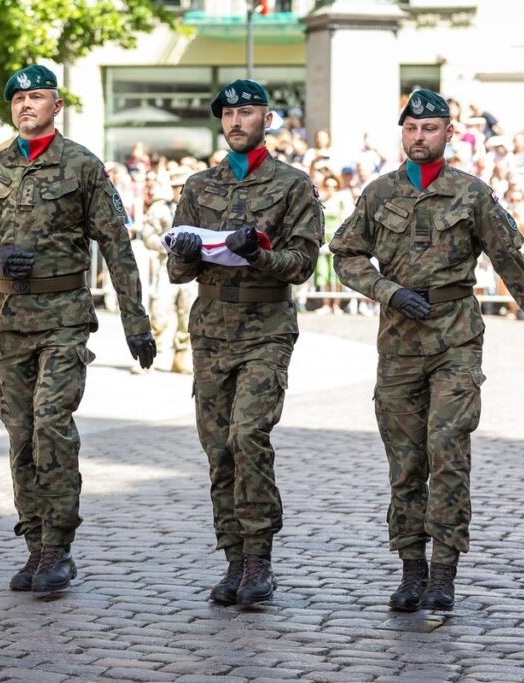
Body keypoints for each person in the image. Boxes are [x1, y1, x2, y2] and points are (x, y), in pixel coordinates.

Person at [329, 89, 524, 613]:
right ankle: (411, 570)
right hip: (398, 343)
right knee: (406, 462)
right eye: (412, 128)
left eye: (430, 128)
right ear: (403, 134)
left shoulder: (472, 194)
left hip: (456, 338)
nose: (420, 137)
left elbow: (512, 262)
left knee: (448, 450)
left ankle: (444, 572)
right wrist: (387, 291)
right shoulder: (378, 194)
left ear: (449, 134)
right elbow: (344, 256)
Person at [0, 64, 155, 595]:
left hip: (65, 317)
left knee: (51, 424)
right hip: (10, 319)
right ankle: (34, 544)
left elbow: (117, 245)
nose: (26, 105)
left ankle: (59, 547)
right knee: (20, 434)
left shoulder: (82, 166)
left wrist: (136, 323)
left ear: (56, 105)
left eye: (37, 97)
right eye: (18, 98)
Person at [166, 79, 323, 606]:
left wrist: (256, 254)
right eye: (228, 113)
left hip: (266, 326)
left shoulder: (292, 186)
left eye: (247, 112)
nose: (236, 121)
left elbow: (301, 265)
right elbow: (176, 269)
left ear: (267, 120)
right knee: (217, 447)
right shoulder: (198, 186)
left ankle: (259, 559)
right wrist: (187, 250)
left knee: (248, 434)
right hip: (211, 328)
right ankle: (232, 558)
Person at [140, 166, 194, 374]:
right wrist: (166, 245)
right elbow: (148, 235)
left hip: (192, 266)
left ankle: (181, 357)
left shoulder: (200, 210)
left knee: (188, 313)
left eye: (183, 186)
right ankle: (149, 356)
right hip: (168, 264)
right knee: (159, 310)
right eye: (176, 186)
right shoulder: (160, 209)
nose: (179, 190)